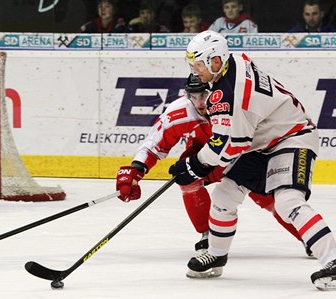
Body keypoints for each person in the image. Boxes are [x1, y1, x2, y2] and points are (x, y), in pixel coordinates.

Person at [169, 30, 336, 290]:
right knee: (224, 196)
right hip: (264, 140)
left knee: (288, 202)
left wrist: (193, 166)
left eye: (199, 65)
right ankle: (217, 253)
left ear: (216, 61)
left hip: (292, 138)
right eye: (193, 65)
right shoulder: (236, 61)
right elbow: (237, 140)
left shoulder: (228, 94)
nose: (196, 71)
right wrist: (199, 165)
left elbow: (229, 146)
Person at [116, 73, 308, 257]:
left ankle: (307, 237)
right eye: (194, 96)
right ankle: (208, 234)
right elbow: (153, 144)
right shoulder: (180, 111)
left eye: (204, 95)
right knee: (186, 176)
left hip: (245, 154)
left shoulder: (233, 103)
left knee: (267, 198)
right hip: (206, 160)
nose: (199, 103)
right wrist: (136, 170)